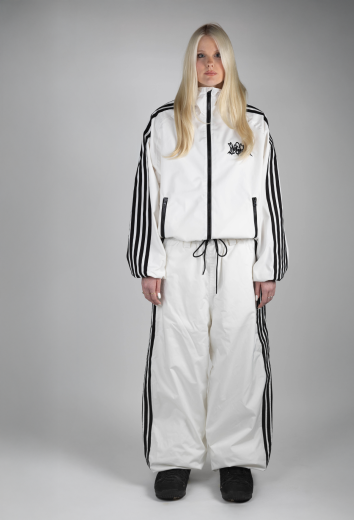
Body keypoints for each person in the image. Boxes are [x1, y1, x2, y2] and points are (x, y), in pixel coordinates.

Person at [126, 22, 289, 503]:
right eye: (201, 55)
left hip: (237, 257)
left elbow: (268, 198)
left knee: (239, 354)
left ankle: (235, 459)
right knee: (176, 355)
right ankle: (174, 458)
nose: (210, 64)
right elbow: (148, 195)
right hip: (180, 257)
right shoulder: (164, 123)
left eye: (217, 55)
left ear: (229, 61)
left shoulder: (253, 124)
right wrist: (149, 262)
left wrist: (267, 266)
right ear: (190, 62)